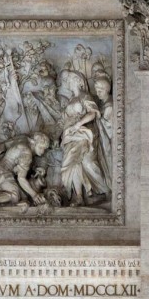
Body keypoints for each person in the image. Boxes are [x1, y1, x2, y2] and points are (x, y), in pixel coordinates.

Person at [58, 70, 109, 206]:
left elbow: (93, 113)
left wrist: (78, 124)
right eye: (68, 80)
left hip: (84, 132)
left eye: (72, 78)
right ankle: (79, 196)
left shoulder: (85, 96)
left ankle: (101, 191)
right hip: (71, 135)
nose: (69, 81)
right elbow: (65, 120)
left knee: (88, 162)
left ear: (80, 81)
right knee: (72, 164)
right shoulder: (70, 100)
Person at [0, 132, 50, 209]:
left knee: (21, 192)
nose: (43, 152)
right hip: (1, 175)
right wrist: (34, 195)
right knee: (15, 195)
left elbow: (4, 146)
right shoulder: (27, 154)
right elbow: (21, 179)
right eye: (41, 148)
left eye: (44, 149)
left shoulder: (23, 138)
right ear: (35, 143)